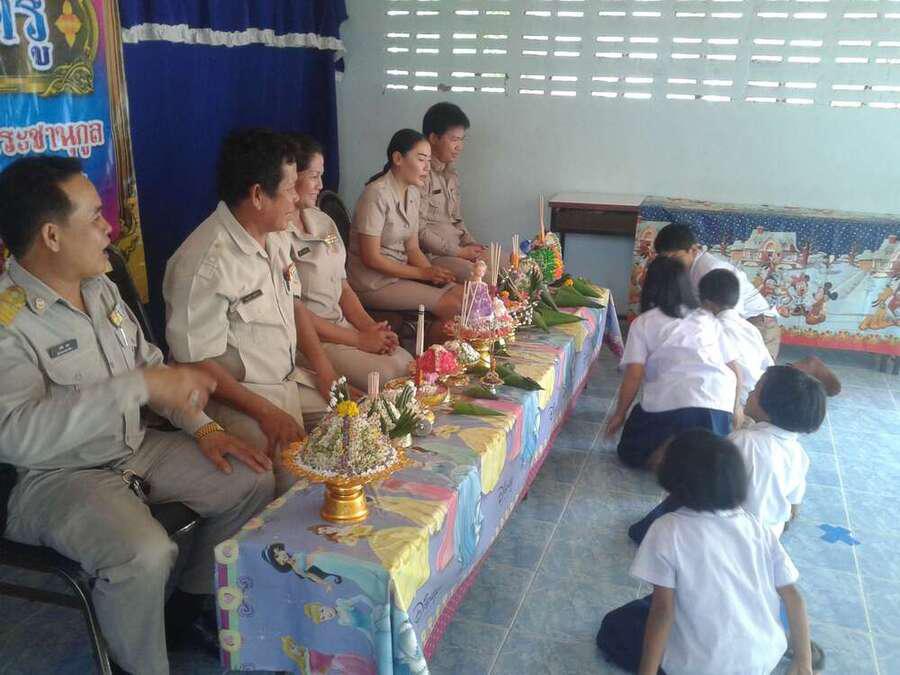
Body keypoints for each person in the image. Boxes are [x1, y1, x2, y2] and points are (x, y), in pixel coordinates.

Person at [0, 156, 274, 675]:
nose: (109, 226)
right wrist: (134, 388)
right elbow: (15, 436)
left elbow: (150, 369)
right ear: (52, 236)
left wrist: (206, 428)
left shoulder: (99, 286)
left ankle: (185, 609)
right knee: (144, 553)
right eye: (94, 216)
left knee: (251, 479)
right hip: (56, 476)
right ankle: (138, 666)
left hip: (132, 448)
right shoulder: (7, 319)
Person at [163, 129, 330, 496]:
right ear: (257, 195)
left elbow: (294, 303)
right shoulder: (204, 263)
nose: (297, 198)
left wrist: (325, 371)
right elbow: (194, 364)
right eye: (289, 188)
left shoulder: (276, 233)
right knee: (289, 472)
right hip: (235, 396)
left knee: (354, 425)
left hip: (288, 380)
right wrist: (265, 412)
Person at [597, 430, 820, 675]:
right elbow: (793, 597)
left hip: (698, 666)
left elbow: (663, 612)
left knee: (617, 625)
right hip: (764, 657)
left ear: (673, 478)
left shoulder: (666, 529)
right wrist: (803, 662)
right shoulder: (757, 526)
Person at [284, 133, 413, 390]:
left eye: (321, 176)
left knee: (406, 362)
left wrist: (371, 328)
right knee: (388, 376)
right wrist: (359, 339)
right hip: (312, 340)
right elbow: (295, 313)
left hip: (343, 325)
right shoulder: (277, 235)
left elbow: (342, 286)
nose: (321, 185)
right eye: (313, 176)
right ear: (289, 178)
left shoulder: (323, 221)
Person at [605, 256, 742, 469]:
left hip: (671, 402)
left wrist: (620, 414)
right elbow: (734, 370)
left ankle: (667, 454)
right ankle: (690, 458)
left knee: (630, 452)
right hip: (718, 405)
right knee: (706, 457)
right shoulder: (708, 319)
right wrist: (736, 407)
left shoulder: (644, 322)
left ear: (650, 286)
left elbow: (634, 375)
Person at [347, 129, 464, 345]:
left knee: (464, 295)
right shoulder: (375, 195)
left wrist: (433, 274)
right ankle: (431, 360)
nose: (427, 167)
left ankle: (440, 354)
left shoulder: (413, 192)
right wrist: (422, 273)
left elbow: (412, 249)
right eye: (421, 159)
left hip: (400, 274)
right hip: (373, 283)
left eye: (428, 160)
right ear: (398, 158)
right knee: (453, 307)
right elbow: (371, 258)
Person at [653, 223, 781, 359]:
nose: (670, 264)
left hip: (756, 323)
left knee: (752, 370)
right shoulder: (687, 269)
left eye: (674, 258)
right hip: (733, 324)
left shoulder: (710, 269)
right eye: (665, 259)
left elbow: (731, 317)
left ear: (693, 250)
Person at [735, 366, 826, 537]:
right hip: (771, 534)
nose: (750, 392)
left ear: (771, 406)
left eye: (756, 389)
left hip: (738, 534)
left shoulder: (742, 441)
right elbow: (793, 504)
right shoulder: (799, 454)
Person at [418, 102, 486, 282]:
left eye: (462, 140)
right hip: (434, 256)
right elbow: (418, 231)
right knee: (481, 277)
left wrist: (471, 244)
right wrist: (459, 252)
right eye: (454, 140)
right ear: (433, 138)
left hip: (459, 249)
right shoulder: (420, 175)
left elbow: (457, 219)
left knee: (506, 264)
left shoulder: (451, 173)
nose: (459, 146)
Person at [699, 269, 774, 405]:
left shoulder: (712, 330)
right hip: (759, 397)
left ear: (707, 304)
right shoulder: (750, 328)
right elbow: (768, 366)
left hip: (735, 402)